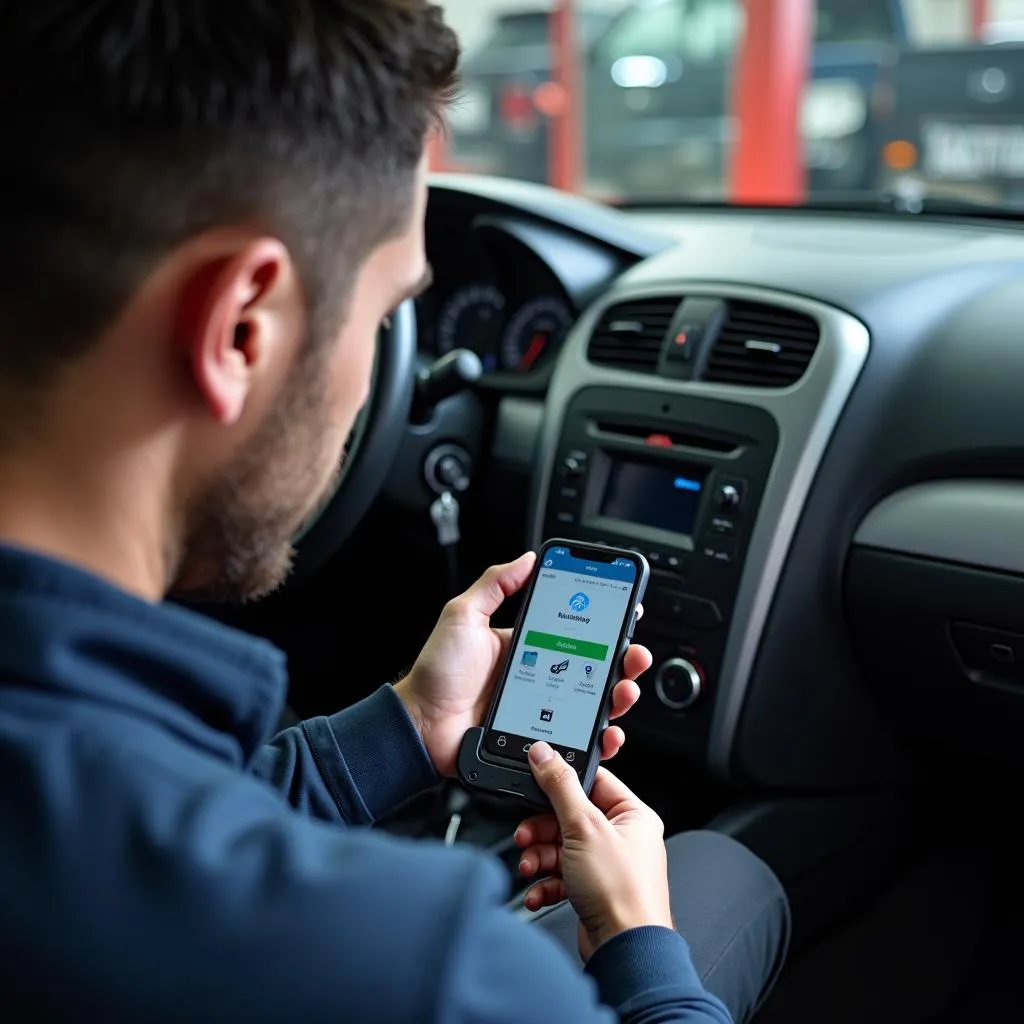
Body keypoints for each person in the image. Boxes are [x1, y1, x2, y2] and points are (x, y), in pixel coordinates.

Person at [0, 2, 789, 1021]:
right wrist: (638, 948)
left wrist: (409, 727)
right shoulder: (424, 969)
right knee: (726, 876)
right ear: (241, 327)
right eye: (382, 315)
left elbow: (128, 814)